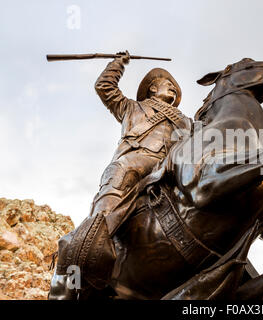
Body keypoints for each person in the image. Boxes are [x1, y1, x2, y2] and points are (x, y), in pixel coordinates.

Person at [49, 51, 190, 299]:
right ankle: (87, 248)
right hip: (136, 161)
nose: (173, 90)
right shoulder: (130, 107)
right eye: (168, 84)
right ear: (152, 89)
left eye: (174, 87)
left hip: (172, 168)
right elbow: (104, 86)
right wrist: (118, 63)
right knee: (120, 177)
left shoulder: (186, 121)